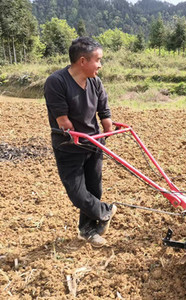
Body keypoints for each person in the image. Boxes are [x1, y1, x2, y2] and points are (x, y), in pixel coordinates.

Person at [45, 37, 117, 248]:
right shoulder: (56, 82)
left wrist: (108, 131)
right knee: (77, 193)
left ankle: (88, 230)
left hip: (93, 143)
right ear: (83, 61)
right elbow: (63, 121)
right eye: (98, 60)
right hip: (69, 146)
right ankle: (105, 212)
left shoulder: (95, 81)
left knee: (94, 188)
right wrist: (81, 139)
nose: (100, 65)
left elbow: (103, 110)